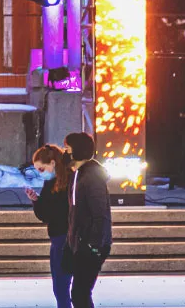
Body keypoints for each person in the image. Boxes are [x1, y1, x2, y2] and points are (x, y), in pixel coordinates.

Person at [65, 132, 113, 308]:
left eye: (67, 149)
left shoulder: (91, 178)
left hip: (90, 245)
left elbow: (99, 214)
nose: (65, 153)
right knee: (79, 293)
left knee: (80, 293)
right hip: (81, 243)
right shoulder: (79, 175)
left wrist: (92, 245)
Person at [27, 144, 75, 308]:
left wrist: (40, 203)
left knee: (63, 287)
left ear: (53, 163)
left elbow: (51, 213)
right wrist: (36, 201)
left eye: (42, 169)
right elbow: (45, 215)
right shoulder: (52, 184)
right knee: (61, 287)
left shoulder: (71, 181)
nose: (41, 173)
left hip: (66, 237)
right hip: (59, 237)